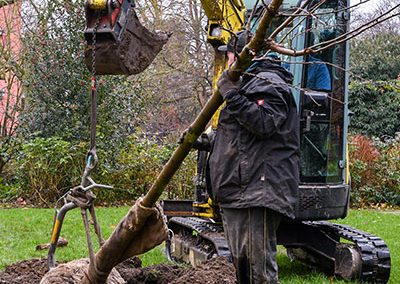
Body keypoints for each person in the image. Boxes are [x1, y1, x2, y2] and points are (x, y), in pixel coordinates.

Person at [210, 31, 300, 283]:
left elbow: (263, 122)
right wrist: (204, 141)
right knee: (245, 269)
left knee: (256, 272)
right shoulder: (253, 83)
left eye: (228, 56)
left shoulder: (268, 82)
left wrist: (231, 95)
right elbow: (241, 138)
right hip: (242, 191)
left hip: (255, 191)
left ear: (243, 56)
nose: (227, 63)